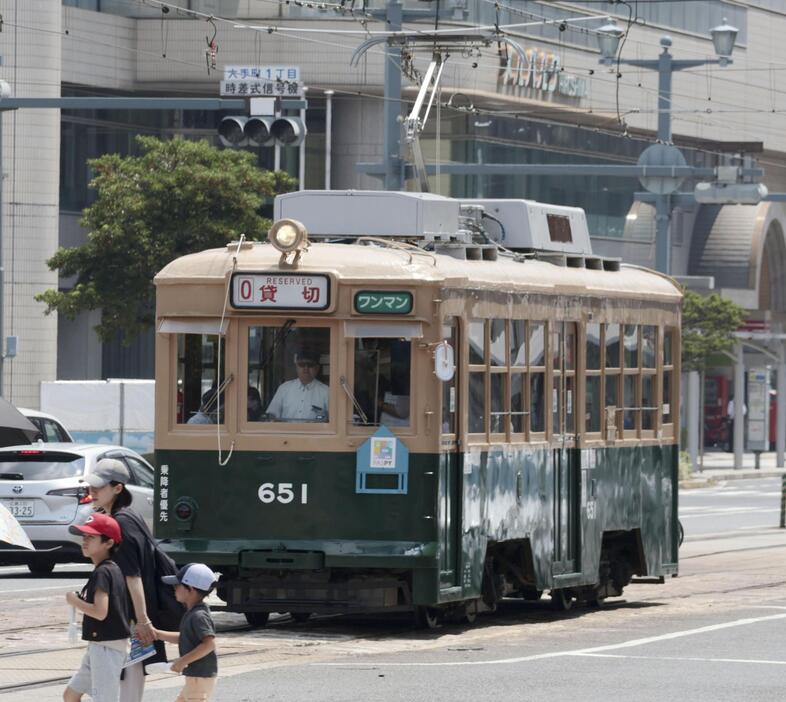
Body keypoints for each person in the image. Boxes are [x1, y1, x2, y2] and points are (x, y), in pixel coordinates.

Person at [84, 458, 183, 702]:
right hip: (124, 616)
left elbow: (133, 575)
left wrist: (142, 620)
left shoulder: (122, 523)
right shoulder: (127, 516)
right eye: (91, 486)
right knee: (117, 679)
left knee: (129, 681)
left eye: (99, 487)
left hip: (128, 618)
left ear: (118, 488)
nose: (92, 491)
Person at [64, 513, 130, 702]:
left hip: (107, 647)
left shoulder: (103, 572)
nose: (85, 541)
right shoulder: (111, 569)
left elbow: (100, 612)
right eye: (84, 537)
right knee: (71, 695)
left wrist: (74, 601)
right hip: (100, 645)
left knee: (105, 699)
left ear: (108, 543)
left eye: (91, 537)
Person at [154, 563, 219, 702]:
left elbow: (209, 644)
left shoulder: (198, 616)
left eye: (177, 585)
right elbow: (185, 637)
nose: (174, 589)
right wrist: (157, 634)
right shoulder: (193, 612)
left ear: (190, 589)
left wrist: (183, 661)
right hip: (196, 676)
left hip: (199, 677)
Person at [266, 349, 329, 421]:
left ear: (317, 368)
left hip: (314, 432)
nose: (306, 368)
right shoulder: (284, 388)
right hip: (287, 431)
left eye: (310, 365)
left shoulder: (326, 391)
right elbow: (272, 414)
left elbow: (333, 420)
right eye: (301, 364)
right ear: (296, 367)